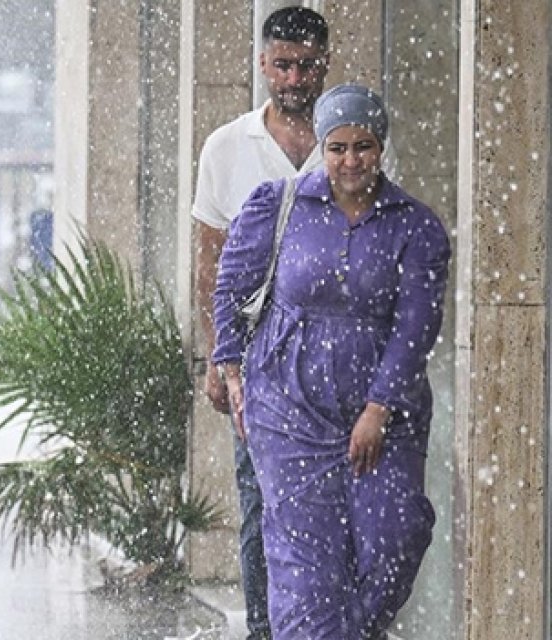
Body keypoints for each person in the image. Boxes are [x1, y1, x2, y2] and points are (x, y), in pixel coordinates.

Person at [211, 84, 450, 638]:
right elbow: (230, 290)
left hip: (386, 416)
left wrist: (378, 408)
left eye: (363, 146)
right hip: (288, 410)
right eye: (337, 148)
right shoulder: (279, 205)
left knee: (396, 538)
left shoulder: (414, 225)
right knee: (305, 570)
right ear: (322, 147)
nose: (350, 161)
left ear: (380, 147)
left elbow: (416, 328)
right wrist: (232, 372)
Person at [190, 7, 333, 638]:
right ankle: (264, 630)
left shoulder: (349, 144)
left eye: (306, 66)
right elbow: (210, 263)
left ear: (325, 64)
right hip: (257, 359)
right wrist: (217, 357)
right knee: (260, 503)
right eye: (282, 65)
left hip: (335, 356)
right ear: (262, 65)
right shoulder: (227, 147)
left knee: (336, 505)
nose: (294, 78)